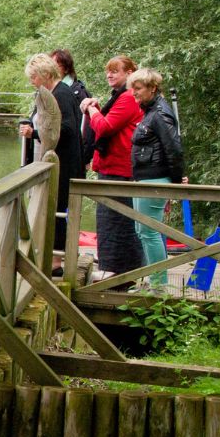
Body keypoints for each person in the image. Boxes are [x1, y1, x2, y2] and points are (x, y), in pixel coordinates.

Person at [81, 55, 144, 287]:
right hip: (114, 166)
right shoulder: (121, 97)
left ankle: (117, 271)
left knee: (115, 221)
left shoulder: (127, 98)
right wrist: (96, 107)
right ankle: (118, 269)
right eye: (108, 71)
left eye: (115, 71)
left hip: (119, 168)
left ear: (129, 73)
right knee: (112, 219)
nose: (109, 75)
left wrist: (92, 111)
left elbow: (105, 127)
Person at [19, 52, 84, 275]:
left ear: (46, 74)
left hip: (64, 163)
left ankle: (55, 261)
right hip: (55, 160)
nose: (32, 82)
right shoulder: (50, 93)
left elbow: (65, 129)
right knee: (52, 209)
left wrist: (34, 132)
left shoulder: (62, 95)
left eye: (34, 77)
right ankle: (48, 255)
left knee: (56, 208)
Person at [127, 68, 185, 289]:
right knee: (143, 231)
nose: (134, 93)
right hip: (145, 179)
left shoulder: (160, 114)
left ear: (152, 88)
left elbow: (174, 149)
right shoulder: (150, 112)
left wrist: (176, 183)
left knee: (149, 232)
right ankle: (154, 280)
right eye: (133, 88)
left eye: (138, 88)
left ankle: (159, 284)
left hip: (155, 179)